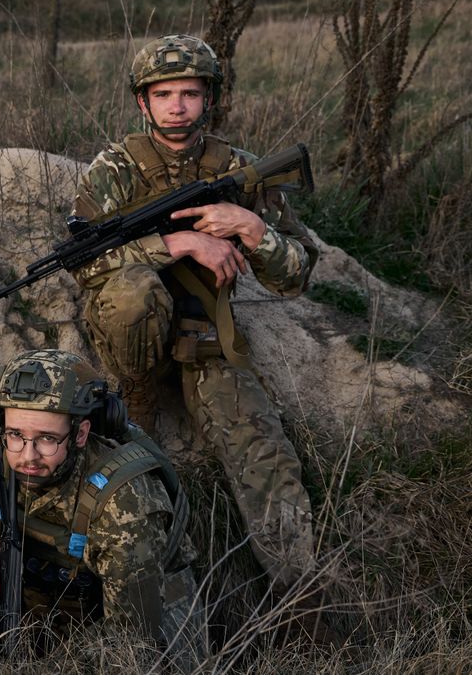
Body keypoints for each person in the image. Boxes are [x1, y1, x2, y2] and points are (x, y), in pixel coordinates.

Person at [71, 34, 329, 629]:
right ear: (144, 103)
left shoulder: (239, 169)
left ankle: (304, 609)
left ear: (208, 98)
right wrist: (178, 242)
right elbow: (83, 263)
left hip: (207, 335)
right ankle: (138, 391)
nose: (177, 106)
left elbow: (298, 274)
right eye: (163, 94)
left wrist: (252, 228)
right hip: (131, 337)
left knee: (263, 453)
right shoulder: (115, 168)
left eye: (190, 93)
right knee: (134, 293)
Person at [0, 349, 205, 667]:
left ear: (80, 434)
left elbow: (131, 641)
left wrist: (55, 667)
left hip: (137, 622)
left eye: (47, 439)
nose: (27, 456)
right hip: (46, 599)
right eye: (16, 434)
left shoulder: (124, 506)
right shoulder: (2, 449)